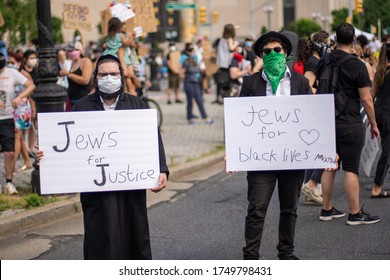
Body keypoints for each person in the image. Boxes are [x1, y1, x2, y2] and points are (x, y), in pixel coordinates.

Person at [36, 54, 169, 259]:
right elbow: (67, 143)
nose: (109, 78)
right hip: (96, 193)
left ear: (122, 76)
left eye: (114, 74)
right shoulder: (81, 107)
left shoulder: (138, 105)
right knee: (100, 239)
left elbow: (153, 138)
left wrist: (161, 169)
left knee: (135, 236)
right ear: (95, 78)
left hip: (131, 188)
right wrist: (47, 156)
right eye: (103, 74)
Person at [239, 31, 312, 260]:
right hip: (262, 159)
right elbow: (239, 120)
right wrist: (232, 152)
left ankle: (286, 252)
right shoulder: (251, 83)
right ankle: (251, 257)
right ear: (262, 55)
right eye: (267, 51)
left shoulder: (300, 82)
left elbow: (313, 120)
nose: (272, 54)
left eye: (277, 50)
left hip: (291, 158)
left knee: (289, 208)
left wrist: (328, 152)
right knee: (257, 208)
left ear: (286, 52)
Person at [317, 22, 380, 225]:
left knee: (329, 165)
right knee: (351, 168)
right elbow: (366, 99)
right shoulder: (357, 65)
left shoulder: (325, 60)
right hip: (349, 120)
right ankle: (354, 213)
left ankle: (326, 209)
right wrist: (373, 123)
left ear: (335, 38)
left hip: (327, 120)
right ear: (353, 40)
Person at [301, 31, 332, 206]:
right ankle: (311, 185)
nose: (330, 47)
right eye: (328, 44)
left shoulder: (316, 61)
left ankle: (309, 190)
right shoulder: (313, 63)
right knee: (323, 149)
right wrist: (322, 94)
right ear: (321, 45)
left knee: (314, 151)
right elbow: (306, 84)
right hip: (315, 109)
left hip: (315, 109)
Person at [0, 52, 35, 194]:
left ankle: (9, 182)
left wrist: (19, 98)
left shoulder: (11, 73)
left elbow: (30, 86)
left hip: (7, 117)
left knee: (9, 152)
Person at [370, 37, 390, 198]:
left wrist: (372, 119)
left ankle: (378, 185)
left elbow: (372, 94)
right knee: (387, 152)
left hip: (381, 112)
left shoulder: (381, 70)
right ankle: (377, 187)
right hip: (388, 114)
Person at [8, 52, 34, 173]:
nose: (10, 65)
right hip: (13, 108)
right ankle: (27, 162)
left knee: (17, 137)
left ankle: (11, 167)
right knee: (20, 138)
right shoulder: (8, 75)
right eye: (9, 63)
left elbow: (31, 91)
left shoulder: (24, 75)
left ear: (19, 62)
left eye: (12, 63)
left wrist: (33, 109)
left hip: (21, 108)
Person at [103, 17, 140, 95]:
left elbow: (106, 45)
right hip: (122, 57)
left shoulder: (109, 36)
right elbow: (126, 44)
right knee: (128, 77)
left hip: (111, 56)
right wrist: (132, 36)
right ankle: (131, 91)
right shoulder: (120, 35)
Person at [181, 47, 213, 125]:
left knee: (200, 101)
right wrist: (186, 77)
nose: (194, 53)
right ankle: (190, 118)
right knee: (190, 102)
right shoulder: (186, 62)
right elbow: (181, 73)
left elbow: (199, 70)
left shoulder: (195, 62)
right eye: (193, 52)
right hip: (189, 83)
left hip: (195, 83)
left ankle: (205, 117)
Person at [60, 41, 93, 111]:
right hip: (72, 100)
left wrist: (69, 74)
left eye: (74, 50)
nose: (71, 52)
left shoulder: (85, 61)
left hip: (83, 100)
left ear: (80, 50)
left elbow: (85, 80)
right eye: (69, 50)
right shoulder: (72, 63)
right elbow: (61, 53)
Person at [215, 24, 239, 104]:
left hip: (222, 63)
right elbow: (231, 48)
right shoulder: (230, 39)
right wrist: (236, 43)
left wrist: (236, 27)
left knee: (223, 81)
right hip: (228, 63)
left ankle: (221, 96)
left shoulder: (222, 40)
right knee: (230, 81)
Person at [20, 50, 38, 158]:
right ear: (25, 59)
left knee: (32, 127)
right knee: (23, 128)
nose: (33, 60)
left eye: (35, 57)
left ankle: (30, 149)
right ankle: (23, 149)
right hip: (24, 103)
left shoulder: (37, 71)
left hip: (35, 101)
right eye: (31, 58)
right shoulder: (21, 72)